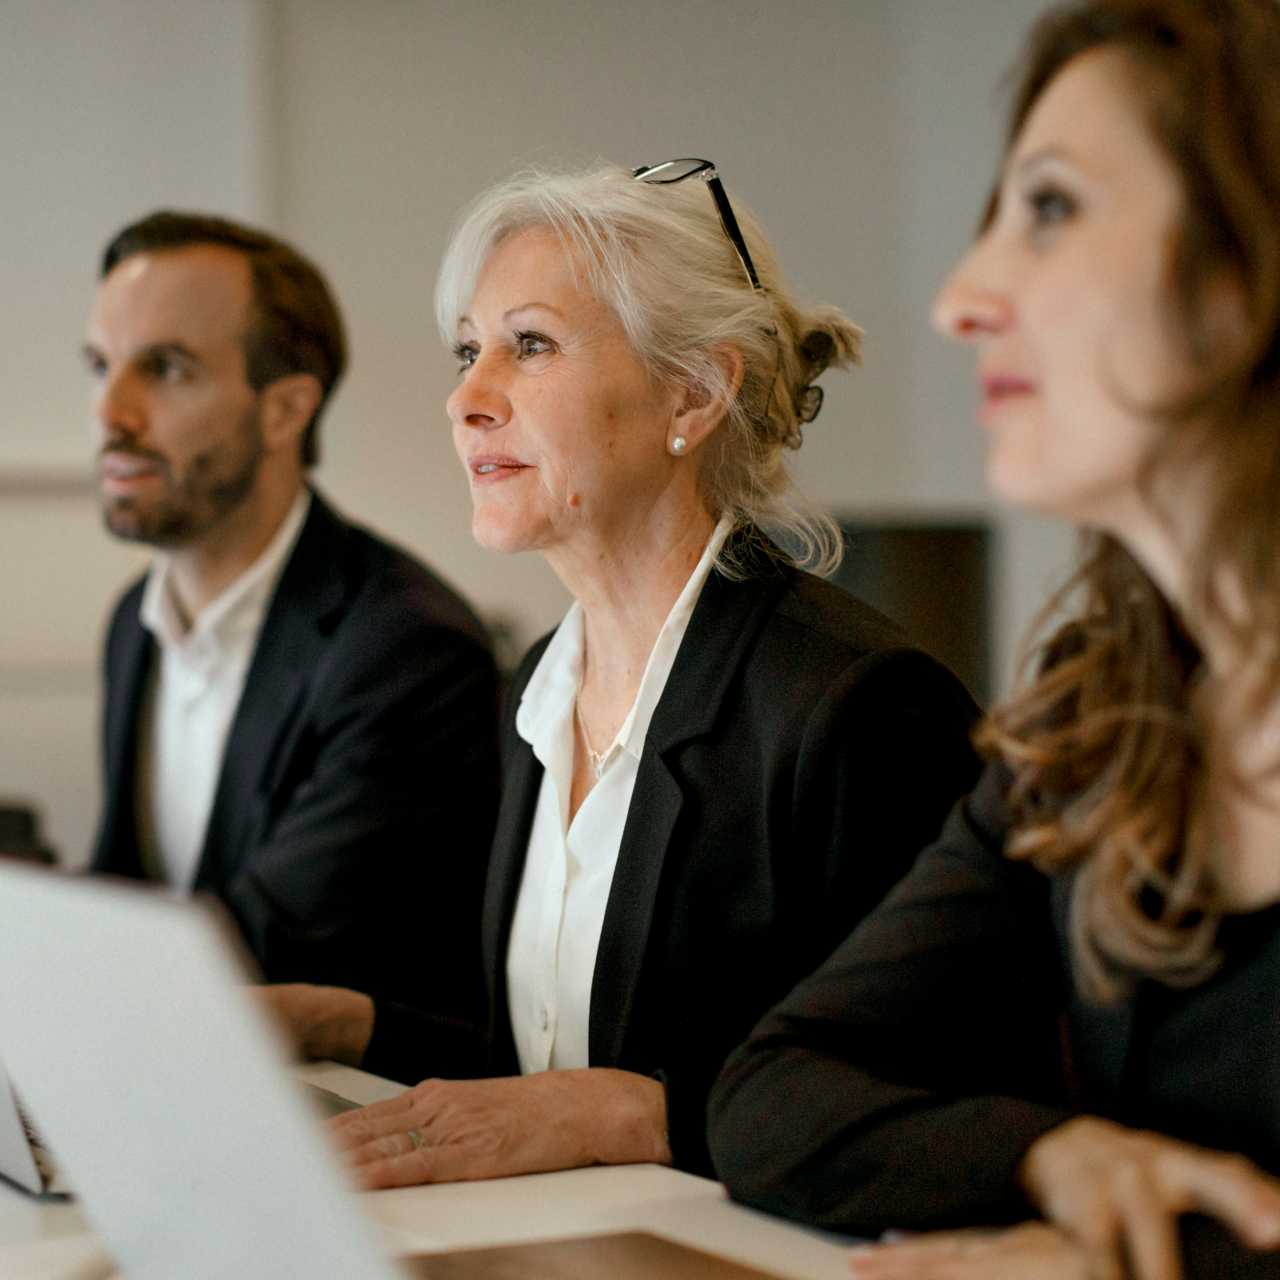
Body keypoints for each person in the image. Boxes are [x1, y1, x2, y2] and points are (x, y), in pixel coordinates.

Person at [267, 160, 981, 1186]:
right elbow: (546, 1076)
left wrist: (642, 1110)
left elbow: (939, 1096)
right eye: (468, 349)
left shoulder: (859, 705)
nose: (465, 397)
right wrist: (344, 1018)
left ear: (690, 393)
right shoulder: (534, 692)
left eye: (529, 345)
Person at [708, 2, 1280, 1277]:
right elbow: (771, 1089)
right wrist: (1049, 1155)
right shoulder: (1099, 714)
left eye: (1052, 208)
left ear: (1251, 259)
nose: (959, 298)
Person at [87, 211, 500, 1018]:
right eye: (99, 365)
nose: (111, 413)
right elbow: (124, 894)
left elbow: (258, 950)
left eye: (164, 369)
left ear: (286, 410)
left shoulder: (408, 649)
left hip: (339, 1114)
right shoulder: (131, 623)